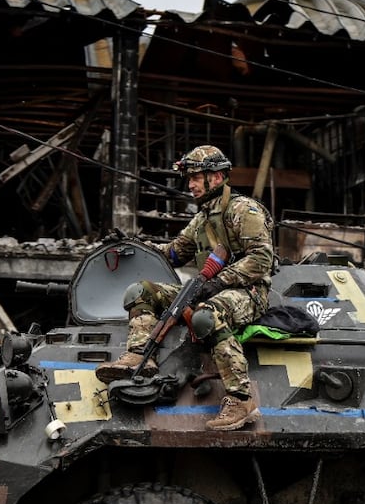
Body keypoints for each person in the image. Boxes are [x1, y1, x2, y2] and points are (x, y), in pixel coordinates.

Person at [96, 145, 274, 431]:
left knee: (205, 316)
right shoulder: (202, 219)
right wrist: (131, 246)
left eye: (195, 177)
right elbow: (174, 253)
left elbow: (261, 260)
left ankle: (241, 398)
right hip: (211, 287)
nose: (189, 184)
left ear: (215, 177)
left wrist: (219, 281)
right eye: (189, 178)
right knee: (140, 291)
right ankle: (140, 355)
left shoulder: (244, 210)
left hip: (250, 292)